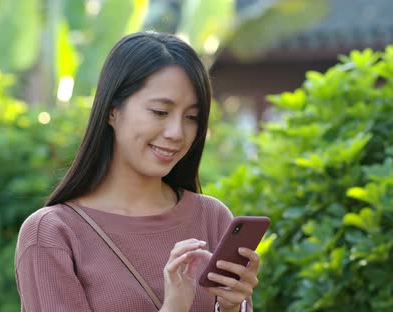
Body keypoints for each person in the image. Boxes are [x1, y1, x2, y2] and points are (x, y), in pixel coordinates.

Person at [14, 31, 259, 312]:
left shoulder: (212, 218)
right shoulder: (52, 233)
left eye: (192, 117)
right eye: (159, 112)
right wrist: (174, 306)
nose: (177, 133)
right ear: (112, 111)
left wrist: (231, 307)